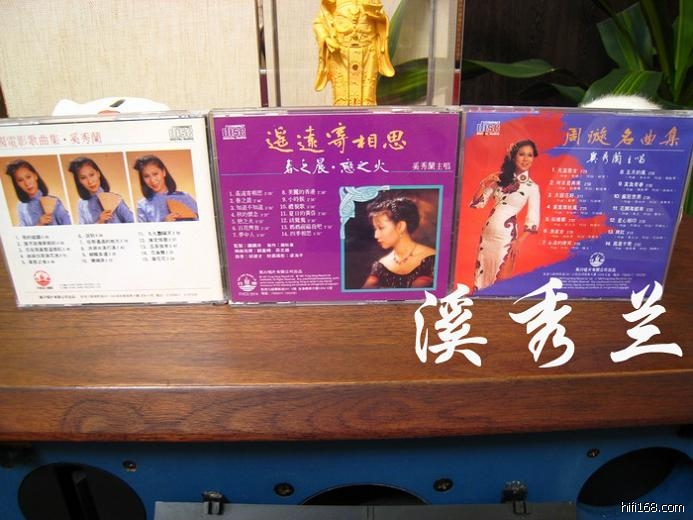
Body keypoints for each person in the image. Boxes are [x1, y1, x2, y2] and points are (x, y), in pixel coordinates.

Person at [470, 139, 541, 291]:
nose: (526, 159)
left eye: (529, 155)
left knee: (500, 282)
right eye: (521, 154)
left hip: (506, 237)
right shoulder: (500, 180)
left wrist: (519, 241)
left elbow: (533, 219)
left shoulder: (532, 187)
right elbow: (477, 203)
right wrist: (485, 182)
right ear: (514, 157)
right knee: (481, 278)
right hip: (487, 235)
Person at [313, 0, 395, 106]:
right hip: (340, 54)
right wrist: (327, 39)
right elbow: (319, 23)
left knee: (367, 98)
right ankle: (343, 116)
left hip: (368, 53)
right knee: (341, 98)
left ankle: (366, 115)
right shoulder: (332, 2)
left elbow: (382, 20)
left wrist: (376, 16)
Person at [362, 196, 436, 288]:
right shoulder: (380, 266)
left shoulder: (431, 259)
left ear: (400, 226)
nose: (376, 235)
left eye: (381, 228)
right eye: (375, 229)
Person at [5, 159, 71, 226]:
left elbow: (67, 223)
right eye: (20, 180)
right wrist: (39, 224)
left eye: (28, 177)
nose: (27, 183)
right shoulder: (22, 207)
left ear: (35, 176)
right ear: (17, 184)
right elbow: (23, 230)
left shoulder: (53, 201)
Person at [68, 157, 134, 224]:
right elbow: (83, 228)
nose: (90, 181)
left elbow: (132, 221)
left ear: (98, 173)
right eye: (83, 178)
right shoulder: (82, 204)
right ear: (79, 181)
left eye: (92, 175)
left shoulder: (114, 199)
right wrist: (100, 221)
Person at [133, 155, 198, 222]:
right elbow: (143, 228)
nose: (152, 180)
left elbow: (201, 222)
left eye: (155, 174)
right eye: (146, 176)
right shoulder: (142, 205)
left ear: (164, 172)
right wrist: (164, 223)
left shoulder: (184, 196)